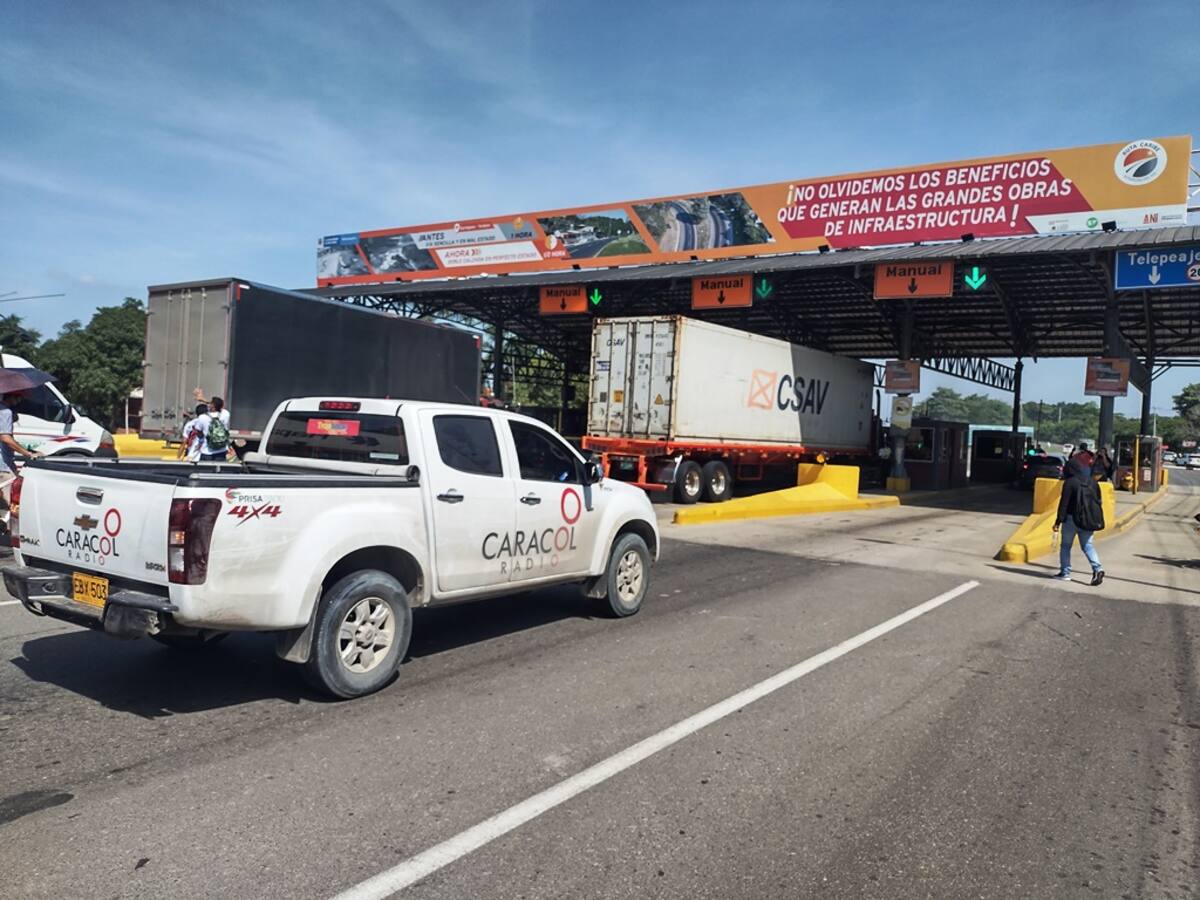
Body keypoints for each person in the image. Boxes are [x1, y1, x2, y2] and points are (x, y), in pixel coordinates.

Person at [1052, 456, 1106, 585]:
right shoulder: (1092, 482)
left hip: (1071, 520)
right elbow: (1099, 501)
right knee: (1088, 546)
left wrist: (1058, 522)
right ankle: (1098, 569)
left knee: (1065, 546)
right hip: (1088, 520)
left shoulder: (1070, 482)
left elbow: (1063, 504)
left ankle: (1065, 573)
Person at [0, 390, 41, 506]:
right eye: (18, 397)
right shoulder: (5, 412)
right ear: (11, 396)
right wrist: (28, 454)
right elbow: (5, 438)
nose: (20, 401)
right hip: (4, 468)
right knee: (7, 507)